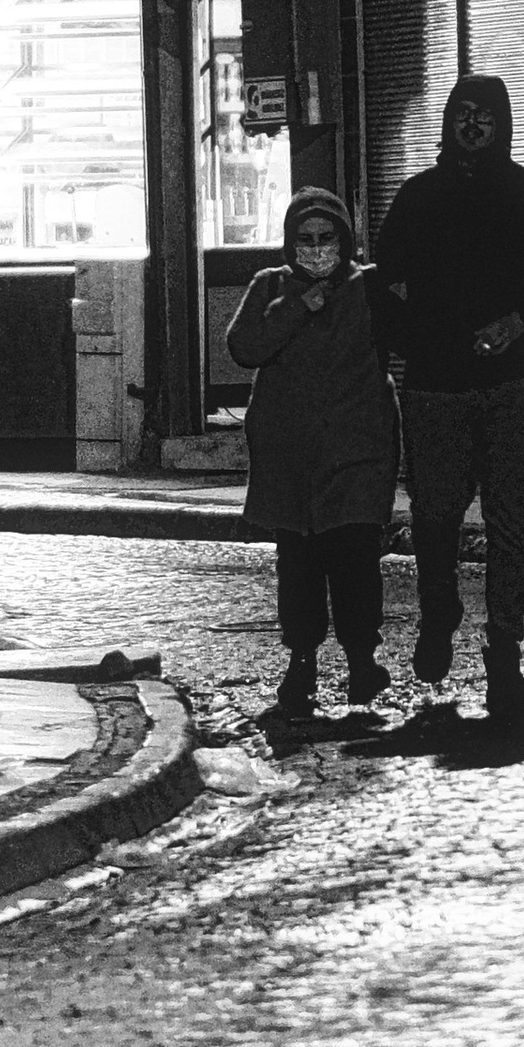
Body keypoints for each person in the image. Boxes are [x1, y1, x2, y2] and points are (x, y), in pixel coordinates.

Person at [373, 73, 524, 724]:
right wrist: (423, 339)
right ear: (447, 121)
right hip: (436, 386)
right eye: (462, 115)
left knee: (507, 522)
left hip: (515, 382)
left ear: (502, 123)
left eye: (483, 116)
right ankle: (439, 616)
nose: (472, 127)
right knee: (436, 516)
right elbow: (384, 288)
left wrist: (520, 322)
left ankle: (505, 653)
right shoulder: (417, 199)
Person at [228, 185, 397, 722]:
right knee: (298, 565)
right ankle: (301, 661)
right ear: (289, 241)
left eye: (327, 238)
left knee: (355, 560)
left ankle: (360, 660)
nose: (318, 247)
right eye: (307, 238)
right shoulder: (269, 287)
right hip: (292, 458)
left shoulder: (367, 287)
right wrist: (297, 307)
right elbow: (244, 347)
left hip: (356, 450)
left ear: (344, 240)